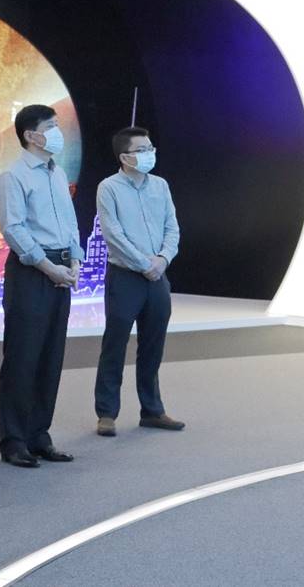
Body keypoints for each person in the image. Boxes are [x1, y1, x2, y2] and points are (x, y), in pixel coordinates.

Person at [0, 104, 82, 468]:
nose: (58, 132)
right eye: (51, 127)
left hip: (61, 267)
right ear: (31, 135)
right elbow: (13, 229)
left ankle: (39, 434)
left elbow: (70, 221)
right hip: (32, 270)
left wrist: (74, 261)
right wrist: (48, 267)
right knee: (23, 356)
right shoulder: (13, 176)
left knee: (50, 356)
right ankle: (14, 440)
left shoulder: (57, 173)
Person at [93, 127, 183, 437]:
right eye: (142, 150)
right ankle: (107, 413)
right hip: (125, 276)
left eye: (150, 148)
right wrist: (145, 264)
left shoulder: (160, 185)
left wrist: (163, 259)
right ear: (125, 157)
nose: (149, 154)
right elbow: (113, 235)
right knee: (115, 344)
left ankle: (152, 410)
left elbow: (172, 227)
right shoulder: (109, 188)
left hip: (158, 275)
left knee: (153, 345)